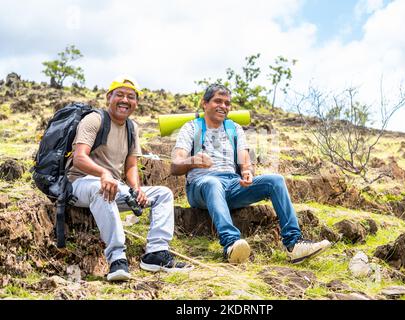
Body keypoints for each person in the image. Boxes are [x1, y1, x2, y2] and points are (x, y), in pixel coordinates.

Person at [171, 84, 331, 264]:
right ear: (204, 103)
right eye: (218, 101)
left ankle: (294, 244)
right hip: (200, 186)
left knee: (275, 180)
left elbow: (244, 158)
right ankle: (231, 244)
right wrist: (193, 161)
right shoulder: (191, 127)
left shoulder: (234, 128)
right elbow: (175, 165)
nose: (223, 106)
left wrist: (247, 172)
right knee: (213, 183)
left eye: (227, 103)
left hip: (232, 185)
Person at [68, 76, 193, 281]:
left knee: (163, 194)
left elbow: (132, 165)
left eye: (131, 97)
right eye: (120, 94)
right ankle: (117, 259)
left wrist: (136, 189)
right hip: (80, 184)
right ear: (109, 97)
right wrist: (103, 173)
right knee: (105, 189)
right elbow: (79, 158)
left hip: (115, 186)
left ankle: (156, 253)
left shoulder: (131, 127)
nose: (125, 100)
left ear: (136, 103)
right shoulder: (94, 120)